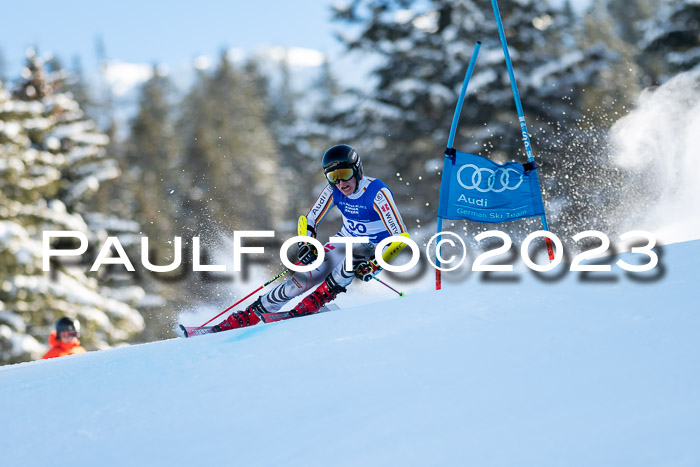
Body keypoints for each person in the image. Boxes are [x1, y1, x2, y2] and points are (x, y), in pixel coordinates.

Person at [214, 144, 408, 331]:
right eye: (334, 177)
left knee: (351, 260)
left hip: (374, 246)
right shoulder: (333, 190)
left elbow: (400, 236)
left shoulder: (376, 193)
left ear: (357, 170)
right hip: (344, 240)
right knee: (302, 279)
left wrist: (376, 263)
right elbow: (309, 220)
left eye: (345, 175)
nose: (341, 183)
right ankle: (250, 314)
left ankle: (313, 302)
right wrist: (306, 243)